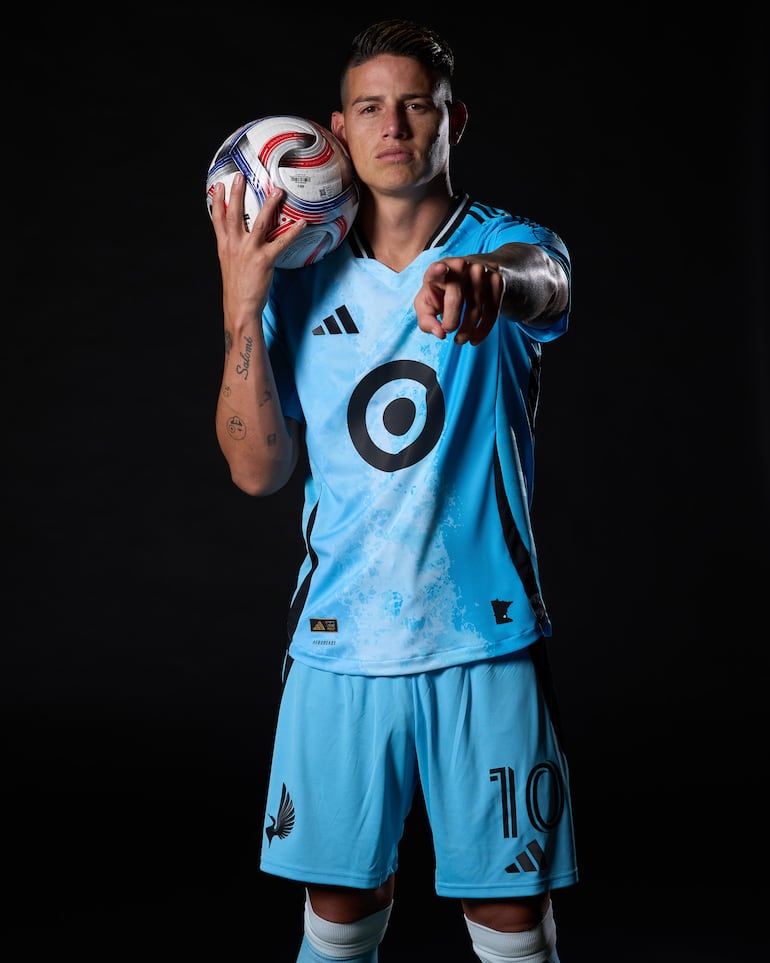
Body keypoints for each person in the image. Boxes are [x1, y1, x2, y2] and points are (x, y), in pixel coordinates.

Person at [208, 17, 578, 963]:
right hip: (339, 641)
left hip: (484, 636)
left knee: (512, 922)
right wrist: (243, 306)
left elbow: (548, 284)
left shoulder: (506, 244)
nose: (395, 126)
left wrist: (489, 281)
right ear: (336, 131)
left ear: (455, 119)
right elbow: (257, 470)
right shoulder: (298, 279)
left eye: (418, 105)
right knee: (337, 916)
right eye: (371, 108)